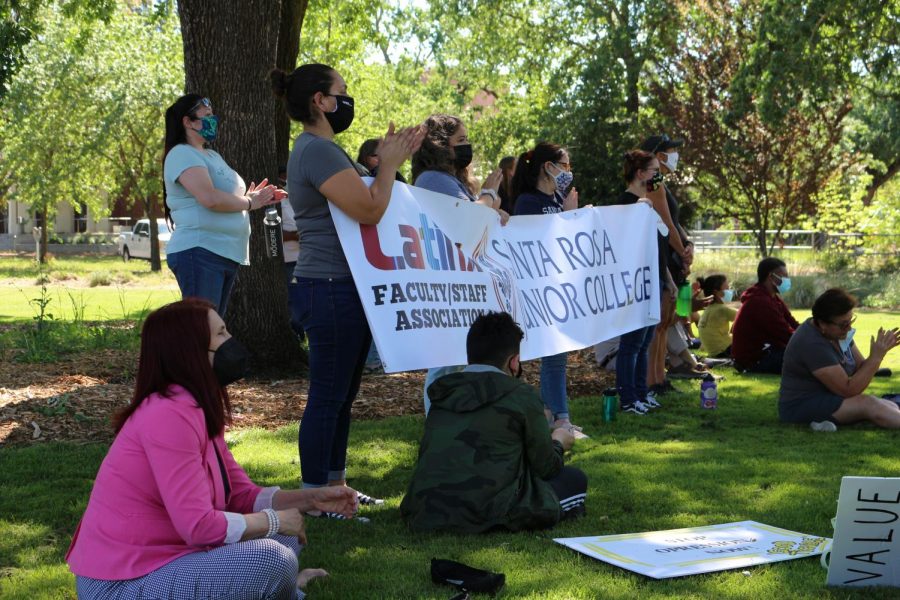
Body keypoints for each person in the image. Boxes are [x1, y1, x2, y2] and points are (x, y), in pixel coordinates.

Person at [66, 299, 358, 599]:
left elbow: (241, 495)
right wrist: (274, 520)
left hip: (174, 557)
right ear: (190, 351)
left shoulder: (194, 406)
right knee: (271, 556)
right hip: (123, 582)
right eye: (221, 334)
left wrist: (312, 499)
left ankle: (283, 586)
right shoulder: (168, 415)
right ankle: (289, 588)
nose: (231, 341)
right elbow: (198, 526)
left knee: (285, 540)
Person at [270, 63, 423, 505]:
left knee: (342, 395)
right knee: (327, 396)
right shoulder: (317, 151)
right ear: (319, 100)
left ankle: (334, 487)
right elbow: (370, 210)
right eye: (342, 90)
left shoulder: (326, 150)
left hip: (344, 286)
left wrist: (391, 165)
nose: (347, 98)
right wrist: (390, 165)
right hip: (329, 286)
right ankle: (317, 496)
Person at [400, 312, 587, 533]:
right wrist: (558, 441)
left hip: (424, 508)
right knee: (575, 479)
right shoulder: (522, 395)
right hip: (488, 511)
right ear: (514, 361)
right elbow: (546, 467)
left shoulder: (443, 392)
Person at [411, 113, 507, 415]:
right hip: (445, 286)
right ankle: (437, 426)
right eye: (460, 141)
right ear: (440, 146)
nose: (468, 147)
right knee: (445, 364)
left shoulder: (452, 181)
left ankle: (455, 426)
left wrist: (494, 211)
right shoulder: (433, 180)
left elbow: (476, 218)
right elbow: (467, 221)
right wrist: (490, 195)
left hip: (461, 285)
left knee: (458, 360)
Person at [163, 94, 284, 316]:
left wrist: (258, 197)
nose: (214, 120)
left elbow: (227, 196)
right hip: (200, 251)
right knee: (202, 329)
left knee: (212, 327)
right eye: (206, 116)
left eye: (213, 115)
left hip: (223, 253)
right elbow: (210, 198)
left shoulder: (211, 155)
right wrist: (249, 202)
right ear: (188, 122)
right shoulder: (181, 153)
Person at [511, 142, 586, 434]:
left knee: (558, 356)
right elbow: (538, 243)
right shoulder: (527, 202)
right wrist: (567, 216)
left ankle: (556, 414)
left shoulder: (557, 197)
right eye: (564, 165)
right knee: (552, 356)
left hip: (557, 289)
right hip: (537, 293)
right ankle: (558, 417)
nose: (569, 172)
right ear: (548, 167)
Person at [779, 288, 900, 431]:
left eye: (850, 321)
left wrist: (880, 351)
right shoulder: (811, 343)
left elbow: (861, 368)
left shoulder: (838, 333)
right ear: (823, 324)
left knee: (887, 404)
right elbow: (848, 390)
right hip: (801, 406)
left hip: (829, 398)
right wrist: (876, 357)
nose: (849, 328)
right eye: (843, 324)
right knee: (868, 403)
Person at [608, 150, 671, 414]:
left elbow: (656, 248)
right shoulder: (627, 203)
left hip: (653, 280)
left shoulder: (646, 203)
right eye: (654, 170)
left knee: (644, 342)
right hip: (635, 283)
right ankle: (627, 398)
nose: (658, 176)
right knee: (632, 343)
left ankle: (641, 392)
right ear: (640, 173)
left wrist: (667, 279)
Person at [640, 134, 693, 396]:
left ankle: (660, 377)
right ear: (658, 155)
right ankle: (653, 380)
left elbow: (676, 221)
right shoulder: (654, 181)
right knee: (659, 323)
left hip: (670, 256)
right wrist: (682, 251)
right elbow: (666, 222)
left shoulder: (663, 183)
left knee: (665, 322)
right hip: (661, 256)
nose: (675, 156)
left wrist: (688, 243)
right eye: (671, 151)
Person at [731, 257, 799, 373]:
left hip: (768, 352)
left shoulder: (771, 297)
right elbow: (785, 333)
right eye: (784, 276)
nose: (788, 279)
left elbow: (792, 323)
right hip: (756, 360)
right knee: (811, 358)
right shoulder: (759, 301)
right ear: (771, 277)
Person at [697, 274, 737, 358]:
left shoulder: (708, 309)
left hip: (714, 352)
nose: (730, 291)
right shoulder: (722, 309)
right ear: (716, 292)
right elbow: (745, 315)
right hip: (724, 351)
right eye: (727, 288)